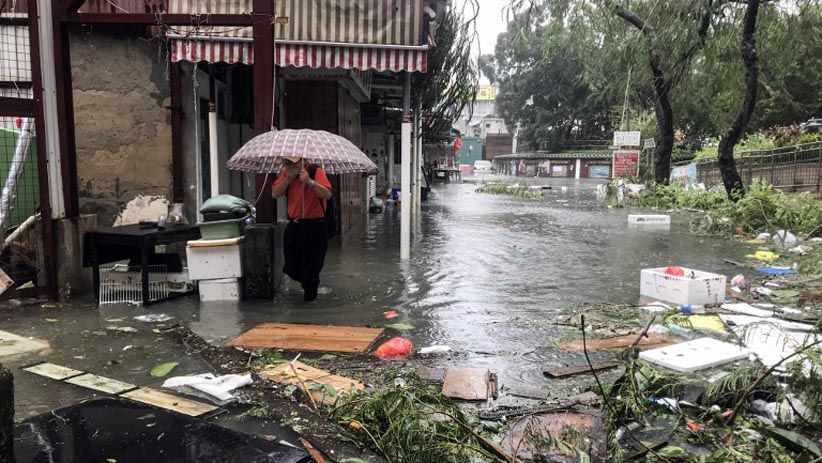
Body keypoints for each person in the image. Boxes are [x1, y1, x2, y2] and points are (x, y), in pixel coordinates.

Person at [271, 156, 333, 301]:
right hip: (295, 224)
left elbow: (327, 194)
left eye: (290, 163)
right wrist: (288, 179)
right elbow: (275, 194)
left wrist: (310, 182)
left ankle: (310, 305)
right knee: (291, 267)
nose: (287, 166)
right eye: (286, 164)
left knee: (312, 270)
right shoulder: (286, 174)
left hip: (315, 226)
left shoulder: (316, 171)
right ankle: (306, 280)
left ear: (300, 162)